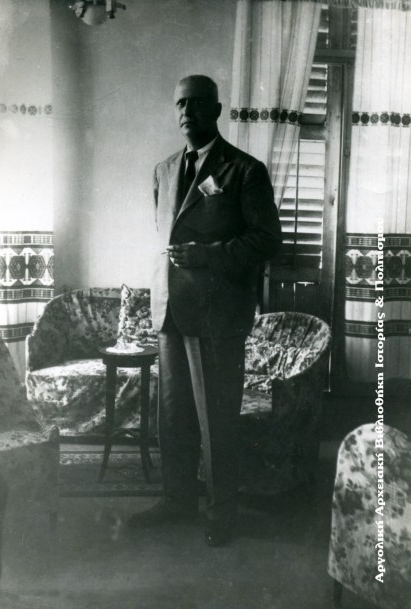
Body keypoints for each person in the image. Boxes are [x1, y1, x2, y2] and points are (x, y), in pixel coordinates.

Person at [129, 75, 282, 546]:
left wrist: (209, 255)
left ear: (216, 111)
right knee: (173, 415)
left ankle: (221, 513)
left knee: (217, 419)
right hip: (169, 311)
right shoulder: (163, 170)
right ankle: (176, 500)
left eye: (196, 103)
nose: (186, 112)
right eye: (180, 104)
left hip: (218, 315)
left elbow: (267, 240)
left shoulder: (245, 170)